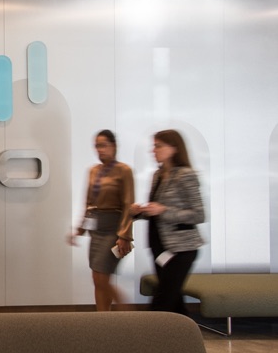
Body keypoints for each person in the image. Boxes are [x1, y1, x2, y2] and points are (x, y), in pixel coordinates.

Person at [130, 129, 205, 315]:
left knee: (162, 301)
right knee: (174, 301)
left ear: (173, 148)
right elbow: (156, 212)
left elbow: (198, 215)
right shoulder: (158, 175)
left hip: (181, 248)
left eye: (158, 146)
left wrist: (164, 210)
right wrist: (139, 212)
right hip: (159, 247)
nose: (153, 150)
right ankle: (185, 332)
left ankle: (150, 333)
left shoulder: (186, 175)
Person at [69, 129, 135, 311]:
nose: (100, 150)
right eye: (97, 146)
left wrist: (125, 236)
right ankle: (103, 318)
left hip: (113, 229)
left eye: (104, 145)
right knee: (97, 278)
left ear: (113, 146)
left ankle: (129, 313)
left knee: (102, 278)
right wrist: (79, 230)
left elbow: (128, 205)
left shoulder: (124, 171)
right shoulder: (93, 171)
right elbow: (88, 203)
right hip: (96, 230)